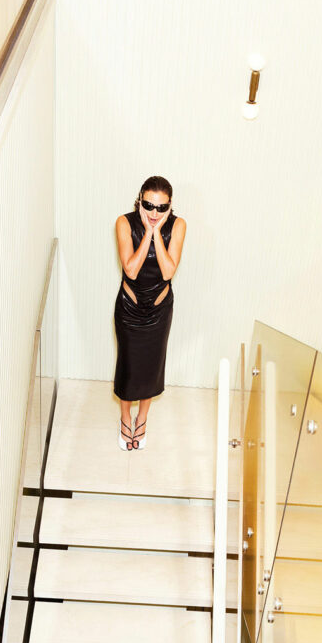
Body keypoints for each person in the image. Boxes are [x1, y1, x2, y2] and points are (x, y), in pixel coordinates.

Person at [113, 176, 187, 450]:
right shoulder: (124, 223)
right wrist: (147, 232)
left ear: (169, 206)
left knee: (152, 366)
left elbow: (168, 272)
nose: (155, 213)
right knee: (129, 365)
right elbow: (131, 269)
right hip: (129, 308)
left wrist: (157, 232)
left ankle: (142, 418)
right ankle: (124, 416)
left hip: (159, 310)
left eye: (161, 207)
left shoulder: (178, 226)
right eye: (149, 205)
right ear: (140, 200)